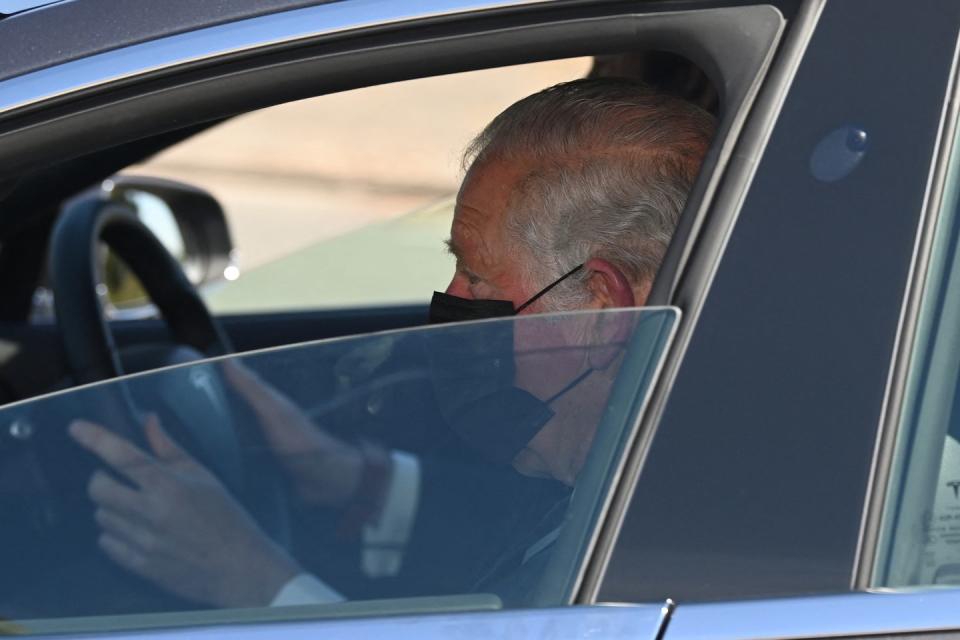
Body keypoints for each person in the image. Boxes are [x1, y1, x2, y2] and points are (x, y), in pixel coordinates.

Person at [68, 77, 715, 608]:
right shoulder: (626, 468)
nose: (453, 302)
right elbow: (514, 524)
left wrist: (249, 581)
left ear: (603, 308)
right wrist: (355, 480)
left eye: (478, 275)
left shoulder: (687, 543)